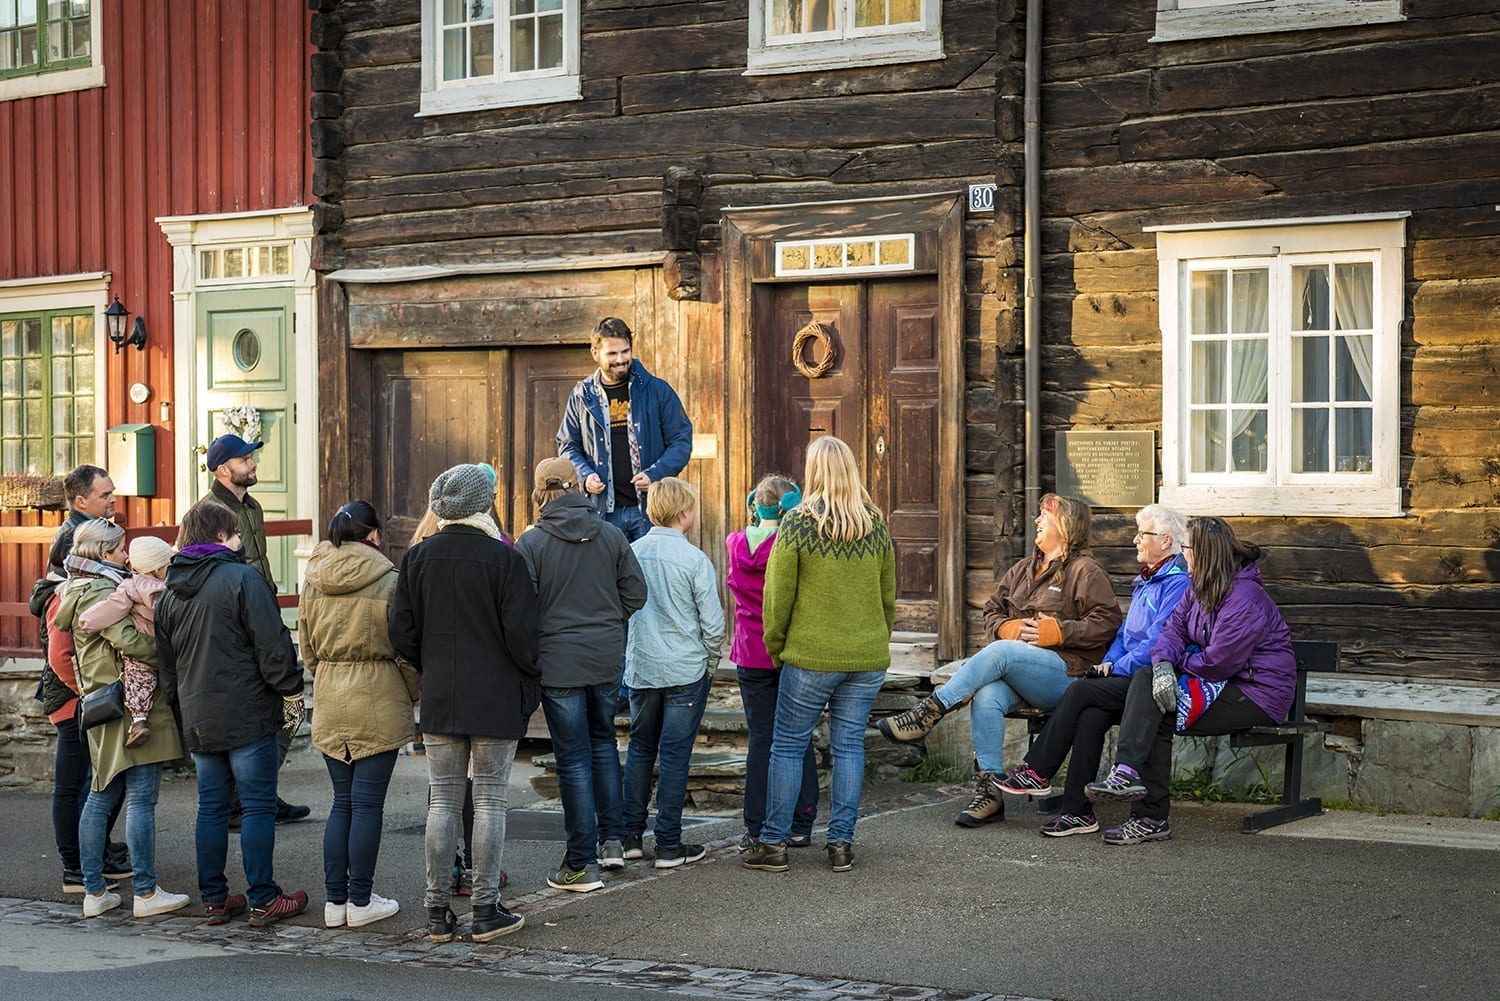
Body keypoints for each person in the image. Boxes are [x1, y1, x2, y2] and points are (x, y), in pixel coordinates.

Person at [876, 494, 1121, 828]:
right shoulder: (1022, 570)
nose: (1037, 521)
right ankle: (989, 791)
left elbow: (1107, 622)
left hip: (1067, 674)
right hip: (1026, 674)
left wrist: (1058, 631)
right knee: (988, 693)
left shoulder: (1085, 571)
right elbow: (991, 610)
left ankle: (929, 712)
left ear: (1065, 526)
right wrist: (1008, 626)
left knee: (1002, 652)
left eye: (1044, 516)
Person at [389, 463, 540, 944]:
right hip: (494, 693)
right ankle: (485, 908)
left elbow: (401, 633)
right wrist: (526, 674)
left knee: (444, 802)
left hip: (440, 693)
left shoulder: (417, 558)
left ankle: (436, 911)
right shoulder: (504, 559)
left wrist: (431, 664)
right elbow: (523, 637)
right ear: (483, 504)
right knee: (490, 801)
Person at [1083, 516, 1298, 845]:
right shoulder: (1197, 586)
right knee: (1150, 684)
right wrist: (1165, 663)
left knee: (1158, 710)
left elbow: (1218, 663)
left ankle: (1146, 809)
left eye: (1187, 548)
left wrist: (1175, 662)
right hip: (1219, 682)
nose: (1184, 555)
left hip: (1257, 694)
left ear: (1205, 553)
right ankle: (1134, 789)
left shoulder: (1244, 598)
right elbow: (1173, 630)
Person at [742, 436, 894, 875]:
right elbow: (888, 597)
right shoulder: (875, 525)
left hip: (809, 656)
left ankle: (772, 844)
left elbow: (777, 597)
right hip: (865, 657)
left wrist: (776, 647)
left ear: (813, 472)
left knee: (788, 745)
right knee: (848, 747)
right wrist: (876, 640)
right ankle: (841, 844)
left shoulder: (797, 524)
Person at [990, 505, 1191, 836]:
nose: (1135, 540)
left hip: (1156, 682)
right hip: (1131, 676)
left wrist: (1116, 667)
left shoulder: (1176, 584)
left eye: (1143, 534)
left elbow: (1158, 643)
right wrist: (1107, 662)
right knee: (1091, 714)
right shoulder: (1148, 581)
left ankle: (1037, 769)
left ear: (1166, 540)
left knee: (1081, 691)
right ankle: (1077, 812)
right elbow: (1125, 635)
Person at [155, 500, 309, 927]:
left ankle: (215, 899)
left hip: (198, 714)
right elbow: (273, 646)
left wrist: (179, 711)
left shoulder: (168, 593)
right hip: (246, 712)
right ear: (221, 537)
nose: (241, 540)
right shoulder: (243, 578)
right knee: (257, 806)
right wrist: (291, 691)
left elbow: (167, 667)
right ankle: (263, 898)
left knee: (212, 808)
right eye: (237, 534)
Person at [514, 457, 647, 891]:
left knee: (572, 759)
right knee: (604, 745)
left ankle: (581, 861)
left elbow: (522, 609)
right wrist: (609, 619)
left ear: (539, 492)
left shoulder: (530, 543)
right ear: (579, 488)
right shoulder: (609, 535)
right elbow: (636, 594)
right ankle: (612, 841)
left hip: (559, 661)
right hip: (605, 655)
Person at [53, 520, 188, 919]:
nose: (125, 557)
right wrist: (167, 652)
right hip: (129, 701)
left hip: (102, 700)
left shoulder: (74, 587)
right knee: (141, 797)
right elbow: (128, 641)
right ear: (102, 554)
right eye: (118, 551)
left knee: (101, 793)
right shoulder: (101, 588)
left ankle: (95, 892)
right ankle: (145, 892)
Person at [301, 501, 417, 929]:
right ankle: (362, 900)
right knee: (368, 805)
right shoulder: (389, 579)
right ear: (373, 536)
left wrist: (328, 675)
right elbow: (405, 647)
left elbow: (308, 649)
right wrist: (408, 691)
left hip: (332, 693)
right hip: (378, 690)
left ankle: (336, 903)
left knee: (342, 802)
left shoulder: (313, 578)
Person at [200, 432, 310, 825]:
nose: (253, 464)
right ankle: (241, 802)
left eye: (251, 458)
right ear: (223, 468)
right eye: (246, 459)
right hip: (232, 629)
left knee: (287, 711)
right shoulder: (207, 512)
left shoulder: (255, 507)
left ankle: (257, 792)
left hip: (264, 620)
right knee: (251, 714)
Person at [29, 463, 130, 889]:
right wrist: (87, 693)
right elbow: (60, 647)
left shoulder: (91, 539)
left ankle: (97, 851)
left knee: (103, 778)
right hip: (75, 693)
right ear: (80, 501)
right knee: (74, 783)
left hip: (88, 690)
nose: (112, 500)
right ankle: (76, 865)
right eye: (104, 495)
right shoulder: (74, 553)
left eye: (111, 492)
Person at [621, 476, 723, 869]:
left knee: (641, 749)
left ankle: (630, 836)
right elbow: (712, 624)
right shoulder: (695, 560)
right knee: (676, 755)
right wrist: (710, 664)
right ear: (685, 512)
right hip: (685, 669)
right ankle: (667, 844)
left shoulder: (631, 552)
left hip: (644, 667)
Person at [727, 474, 819, 852]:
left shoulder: (735, 543)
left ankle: (756, 823)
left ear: (755, 505)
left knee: (761, 739)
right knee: (799, 739)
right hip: (789, 650)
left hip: (750, 652)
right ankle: (801, 821)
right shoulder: (793, 542)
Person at [557, 316, 693, 544]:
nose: (620, 360)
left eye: (625, 351)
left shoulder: (658, 390)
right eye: (612, 354)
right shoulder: (581, 396)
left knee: (648, 578)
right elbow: (567, 445)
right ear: (595, 354)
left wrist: (655, 474)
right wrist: (585, 474)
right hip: (603, 511)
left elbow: (681, 440)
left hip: (651, 510)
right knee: (609, 577)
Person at [76, 535, 176, 748]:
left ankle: (139, 720)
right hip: (170, 642)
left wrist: (87, 620)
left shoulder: (130, 586)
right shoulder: (173, 586)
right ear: (158, 569)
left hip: (143, 640)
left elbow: (112, 607)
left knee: (137, 678)